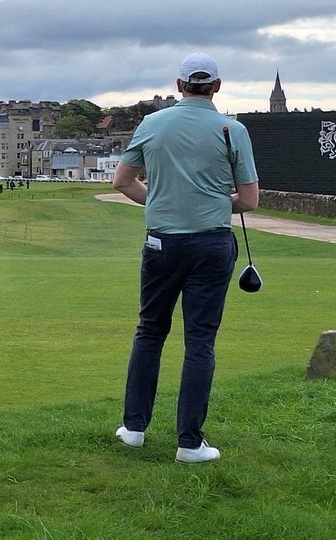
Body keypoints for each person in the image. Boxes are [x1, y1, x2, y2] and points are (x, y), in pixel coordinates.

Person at [112, 52, 258, 464]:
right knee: (200, 342)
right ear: (216, 86)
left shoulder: (153, 123)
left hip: (162, 243)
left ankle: (135, 428)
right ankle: (189, 443)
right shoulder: (233, 129)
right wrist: (207, 203)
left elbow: (123, 180)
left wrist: (163, 203)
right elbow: (249, 199)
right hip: (211, 245)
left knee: (150, 331)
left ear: (179, 86)